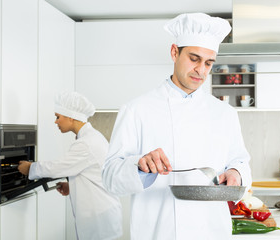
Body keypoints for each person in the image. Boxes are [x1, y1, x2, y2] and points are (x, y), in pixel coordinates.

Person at [102, 13, 252, 240]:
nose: (201, 70)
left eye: (208, 63)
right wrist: (140, 166)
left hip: (211, 231)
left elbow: (240, 162)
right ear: (174, 52)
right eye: (194, 58)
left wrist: (236, 173)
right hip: (158, 232)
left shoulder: (225, 114)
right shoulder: (137, 110)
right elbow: (110, 179)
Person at [18, 92, 123, 240]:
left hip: (100, 221)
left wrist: (30, 168)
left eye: (58, 117)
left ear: (71, 116)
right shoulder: (90, 138)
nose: (56, 122)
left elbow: (58, 167)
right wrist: (72, 186)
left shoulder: (86, 143)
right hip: (101, 216)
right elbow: (91, 174)